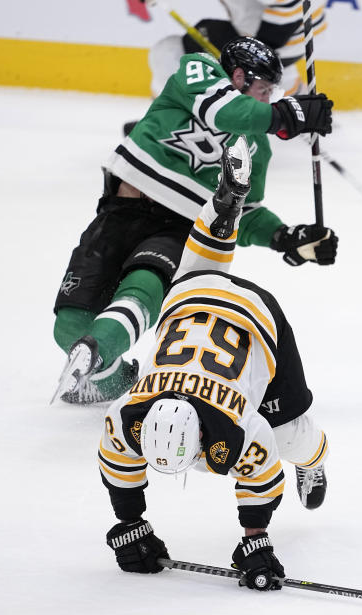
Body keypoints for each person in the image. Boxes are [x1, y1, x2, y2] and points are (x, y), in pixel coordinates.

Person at [52, 36, 338, 404]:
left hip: (179, 230)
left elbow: (244, 212)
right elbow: (227, 113)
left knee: (144, 286)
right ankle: (112, 381)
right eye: (264, 89)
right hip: (120, 213)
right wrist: (287, 116)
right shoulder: (198, 71)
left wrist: (286, 236)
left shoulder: (256, 146)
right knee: (70, 324)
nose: (269, 99)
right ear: (238, 76)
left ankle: (99, 348)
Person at [101, 137, 329, 590]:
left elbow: (262, 472)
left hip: (257, 319)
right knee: (199, 266)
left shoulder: (239, 425)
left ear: (203, 435)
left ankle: (315, 459)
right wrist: (130, 524)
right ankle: (224, 207)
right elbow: (117, 460)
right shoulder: (129, 416)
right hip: (189, 297)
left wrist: (256, 539)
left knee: (290, 435)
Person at [134, 0, 327, 97]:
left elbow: (293, 5)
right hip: (275, 36)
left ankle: (172, 125)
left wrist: (257, 54)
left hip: (286, 40)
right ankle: (293, 95)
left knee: (168, 52)